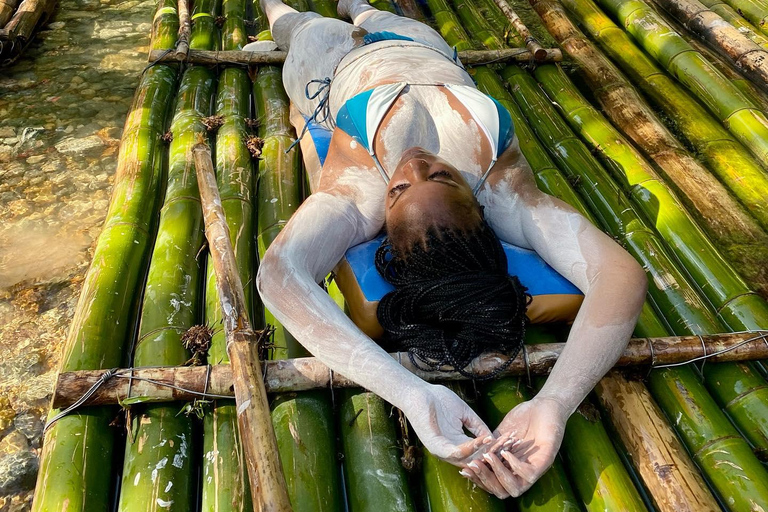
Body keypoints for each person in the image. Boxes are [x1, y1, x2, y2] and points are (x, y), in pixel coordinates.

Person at [255, 0, 648, 498]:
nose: (416, 165)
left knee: (301, 25)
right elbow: (622, 276)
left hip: (334, 67)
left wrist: (411, 394)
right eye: (440, 176)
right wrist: (554, 402)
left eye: (401, 189)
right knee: (367, 11)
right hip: (430, 51)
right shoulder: (503, 189)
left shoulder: (357, 189)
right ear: (477, 205)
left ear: (382, 215)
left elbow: (279, 276)